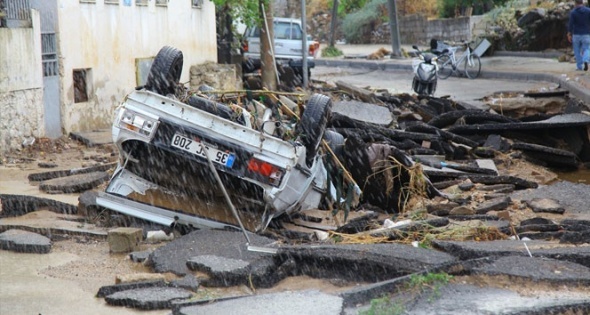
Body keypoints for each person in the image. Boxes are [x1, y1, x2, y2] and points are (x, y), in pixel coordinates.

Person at [567, 0, 590, 71]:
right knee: (587, 48)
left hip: (576, 34)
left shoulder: (573, 12)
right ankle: (586, 60)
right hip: (586, 33)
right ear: (582, 3)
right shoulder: (588, 11)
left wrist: (569, 33)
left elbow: (570, 24)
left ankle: (579, 66)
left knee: (577, 51)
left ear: (575, 3)